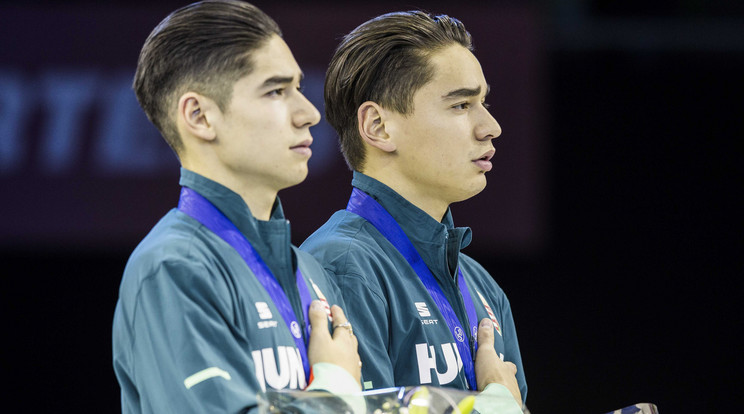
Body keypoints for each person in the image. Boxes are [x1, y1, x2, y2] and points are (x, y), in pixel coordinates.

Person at [112, 1, 362, 413]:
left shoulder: (313, 273)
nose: (309, 113)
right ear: (199, 116)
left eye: (299, 87)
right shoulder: (172, 268)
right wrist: (334, 392)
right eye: (277, 91)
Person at [301, 10, 528, 412]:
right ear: (378, 126)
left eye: (483, 102)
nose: (490, 125)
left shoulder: (482, 288)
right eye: (461, 104)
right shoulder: (342, 265)